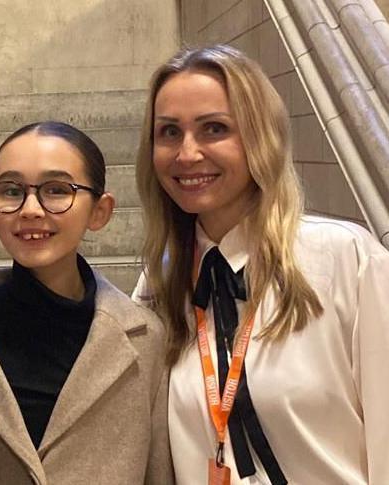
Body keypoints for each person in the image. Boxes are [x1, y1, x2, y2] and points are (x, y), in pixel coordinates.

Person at [132, 44, 389, 484]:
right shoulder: (160, 285)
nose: (187, 153)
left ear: (259, 137)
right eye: (169, 132)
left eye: (214, 128)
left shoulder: (346, 259)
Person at [0, 121, 172, 484]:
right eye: (11, 190)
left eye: (57, 190)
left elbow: (158, 473)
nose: (31, 209)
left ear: (99, 211)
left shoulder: (144, 337)